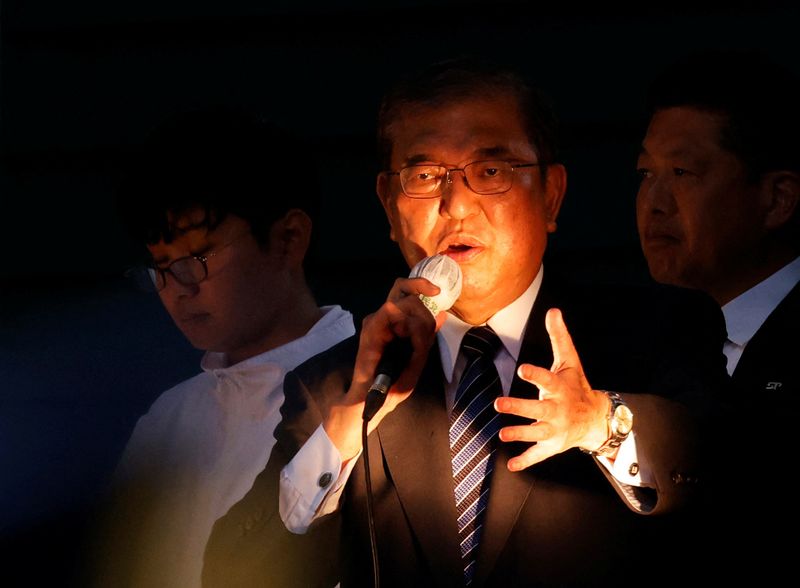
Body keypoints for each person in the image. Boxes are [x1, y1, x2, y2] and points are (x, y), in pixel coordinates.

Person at [204, 57, 729, 587]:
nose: (455, 206)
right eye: (425, 177)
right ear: (388, 207)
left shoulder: (659, 329)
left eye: (491, 172)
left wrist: (602, 422)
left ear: (551, 195)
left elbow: (723, 479)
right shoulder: (340, 385)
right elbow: (230, 569)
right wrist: (344, 429)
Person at [85, 106, 356, 588]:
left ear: (288, 239)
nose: (178, 288)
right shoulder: (167, 420)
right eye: (160, 266)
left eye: (195, 258)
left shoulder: (373, 385)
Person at [635, 49, 799, 580]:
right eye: (645, 174)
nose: (654, 202)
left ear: (777, 200)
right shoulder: (640, 340)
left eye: (682, 172)